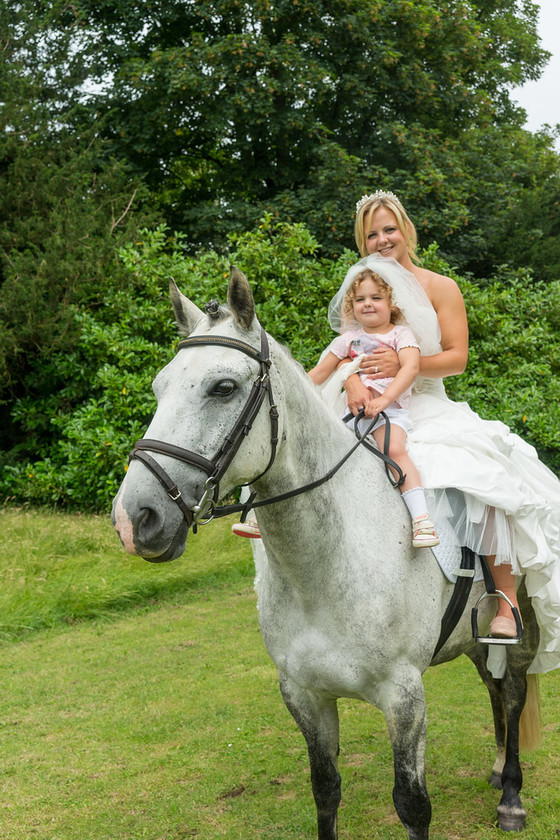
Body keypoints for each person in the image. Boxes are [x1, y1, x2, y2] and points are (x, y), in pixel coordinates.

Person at [339, 190, 560, 660]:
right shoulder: (361, 286)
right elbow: (345, 349)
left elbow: (457, 359)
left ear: (406, 230)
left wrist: (405, 363)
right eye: (371, 233)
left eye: (389, 229)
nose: (382, 240)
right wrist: (352, 379)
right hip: (373, 406)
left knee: (479, 473)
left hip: (427, 405)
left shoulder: (440, 287)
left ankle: (504, 600)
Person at [307, 266, 439, 548]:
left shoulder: (400, 335)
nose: (367, 303)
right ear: (352, 307)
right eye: (360, 299)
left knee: (393, 450)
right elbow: (318, 374)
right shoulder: (345, 341)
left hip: (388, 413)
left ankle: (422, 520)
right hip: (351, 416)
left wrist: (384, 399)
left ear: (391, 304)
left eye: (376, 297)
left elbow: (411, 368)